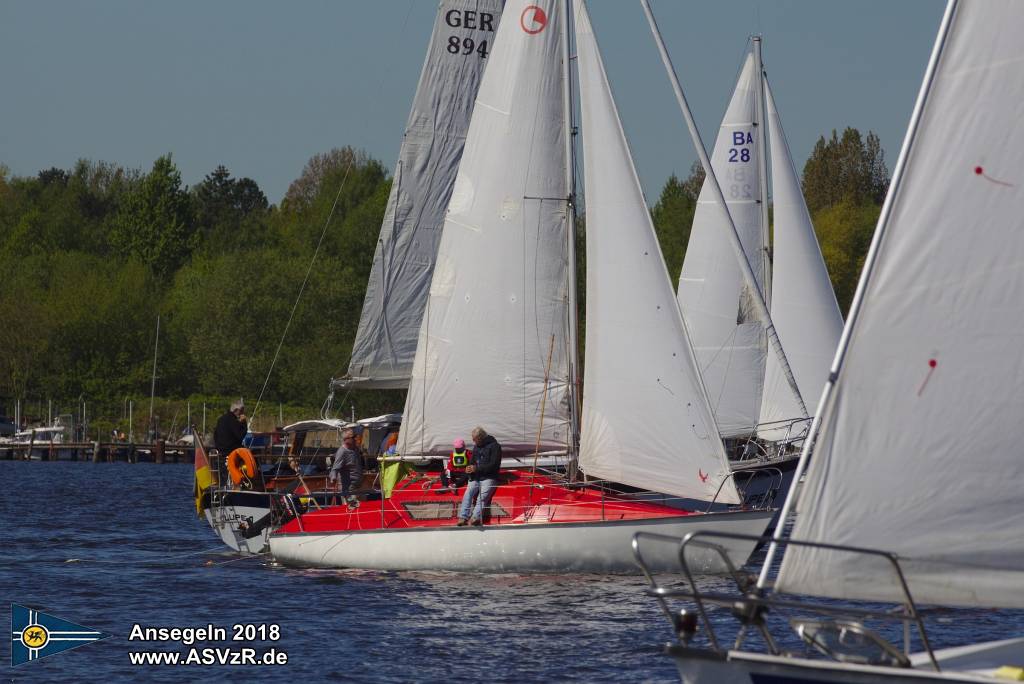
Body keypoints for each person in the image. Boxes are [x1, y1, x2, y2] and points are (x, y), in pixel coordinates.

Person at [457, 427, 501, 526]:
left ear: (481, 437)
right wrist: (469, 468)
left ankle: (475, 517)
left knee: (482, 497)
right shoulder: (477, 446)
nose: (473, 441)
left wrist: (476, 468)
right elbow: (472, 461)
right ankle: (463, 517)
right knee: (468, 494)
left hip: (489, 476)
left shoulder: (495, 447)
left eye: (474, 439)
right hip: (476, 476)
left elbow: (494, 465)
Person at [214, 400, 248, 484]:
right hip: (231, 452)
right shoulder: (232, 420)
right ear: (237, 410)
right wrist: (244, 423)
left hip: (221, 451)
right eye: (242, 411)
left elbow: (215, 435)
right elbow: (240, 435)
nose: (243, 413)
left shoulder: (221, 419)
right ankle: (247, 480)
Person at [329, 429, 363, 508]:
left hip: (358, 485)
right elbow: (335, 468)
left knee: (361, 508)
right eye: (353, 437)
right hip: (349, 487)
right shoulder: (342, 452)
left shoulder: (355, 449)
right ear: (346, 440)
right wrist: (333, 478)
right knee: (353, 509)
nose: (355, 438)